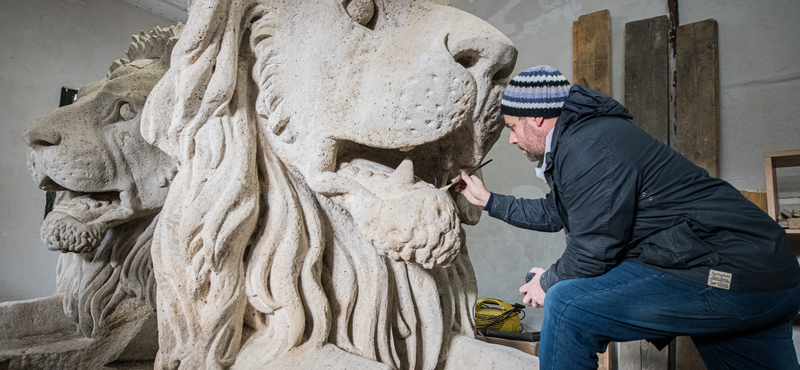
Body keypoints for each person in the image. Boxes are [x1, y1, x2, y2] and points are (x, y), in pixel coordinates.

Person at [452, 65, 800, 370]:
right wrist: (488, 200)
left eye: (512, 127)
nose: (511, 140)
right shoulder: (586, 139)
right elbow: (557, 212)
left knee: (568, 306)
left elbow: (593, 251)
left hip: (730, 273)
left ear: (537, 119)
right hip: (766, 273)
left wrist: (548, 283)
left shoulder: (589, 148)